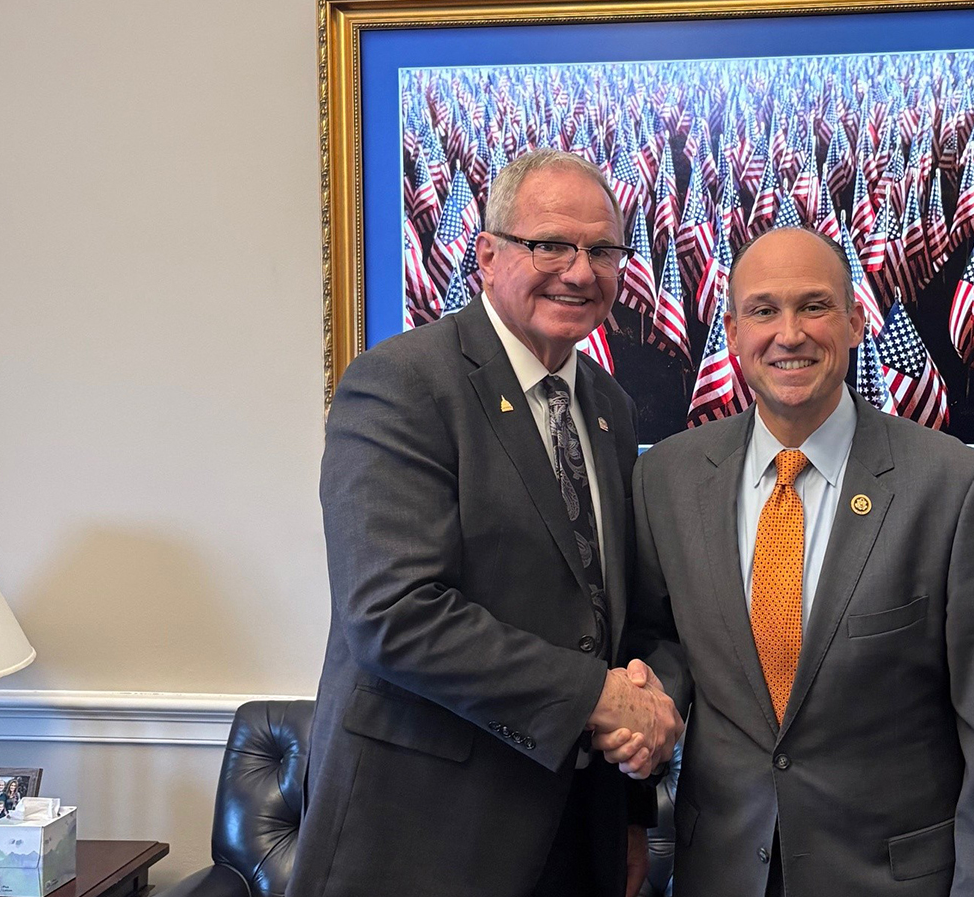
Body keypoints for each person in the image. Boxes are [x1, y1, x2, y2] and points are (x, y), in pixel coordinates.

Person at [288, 149, 681, 897]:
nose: (579, 270)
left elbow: (614, 618)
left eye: (602, 250)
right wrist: (596, 698)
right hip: (422, 839)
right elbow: (392, 613)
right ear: (488, 254)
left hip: (577, 832)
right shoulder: (401, 383)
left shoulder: (608, 407)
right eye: (551, 245)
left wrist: (631, 804)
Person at [617, 227, 974, 896]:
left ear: (855, 322)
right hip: (720, 870)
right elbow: (662, 640)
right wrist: (653, 697)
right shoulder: (666, 478)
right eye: (763, 310)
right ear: (731, 332)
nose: (789, 334)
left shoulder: (954, 488)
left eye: (814, 306)